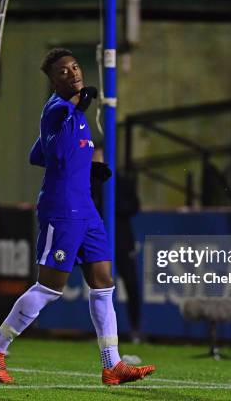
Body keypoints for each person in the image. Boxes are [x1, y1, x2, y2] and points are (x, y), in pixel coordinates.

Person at [0, 48, 155, 385]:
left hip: (85, 207)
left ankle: (112, 364)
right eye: (63, 71)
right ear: (53, 81)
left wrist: (83, 167)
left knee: (103, 282)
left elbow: (37, 153)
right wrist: (76, 107)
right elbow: (55, 137)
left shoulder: (73, 113)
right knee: (50, 288)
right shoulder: (59, 108)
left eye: (74, 67)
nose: (72, 73)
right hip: (62, 209)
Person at [90, 146, 142, 343]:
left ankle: (135, 329)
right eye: (95, 155)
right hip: (99, 238)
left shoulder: (122, 181)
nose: (97, 158)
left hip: (122, 240)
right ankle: (103, 332)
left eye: (100, 155)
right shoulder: (90, 180)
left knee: (131, 283)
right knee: (100, 286)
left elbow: (134, 206)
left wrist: (112, 205)